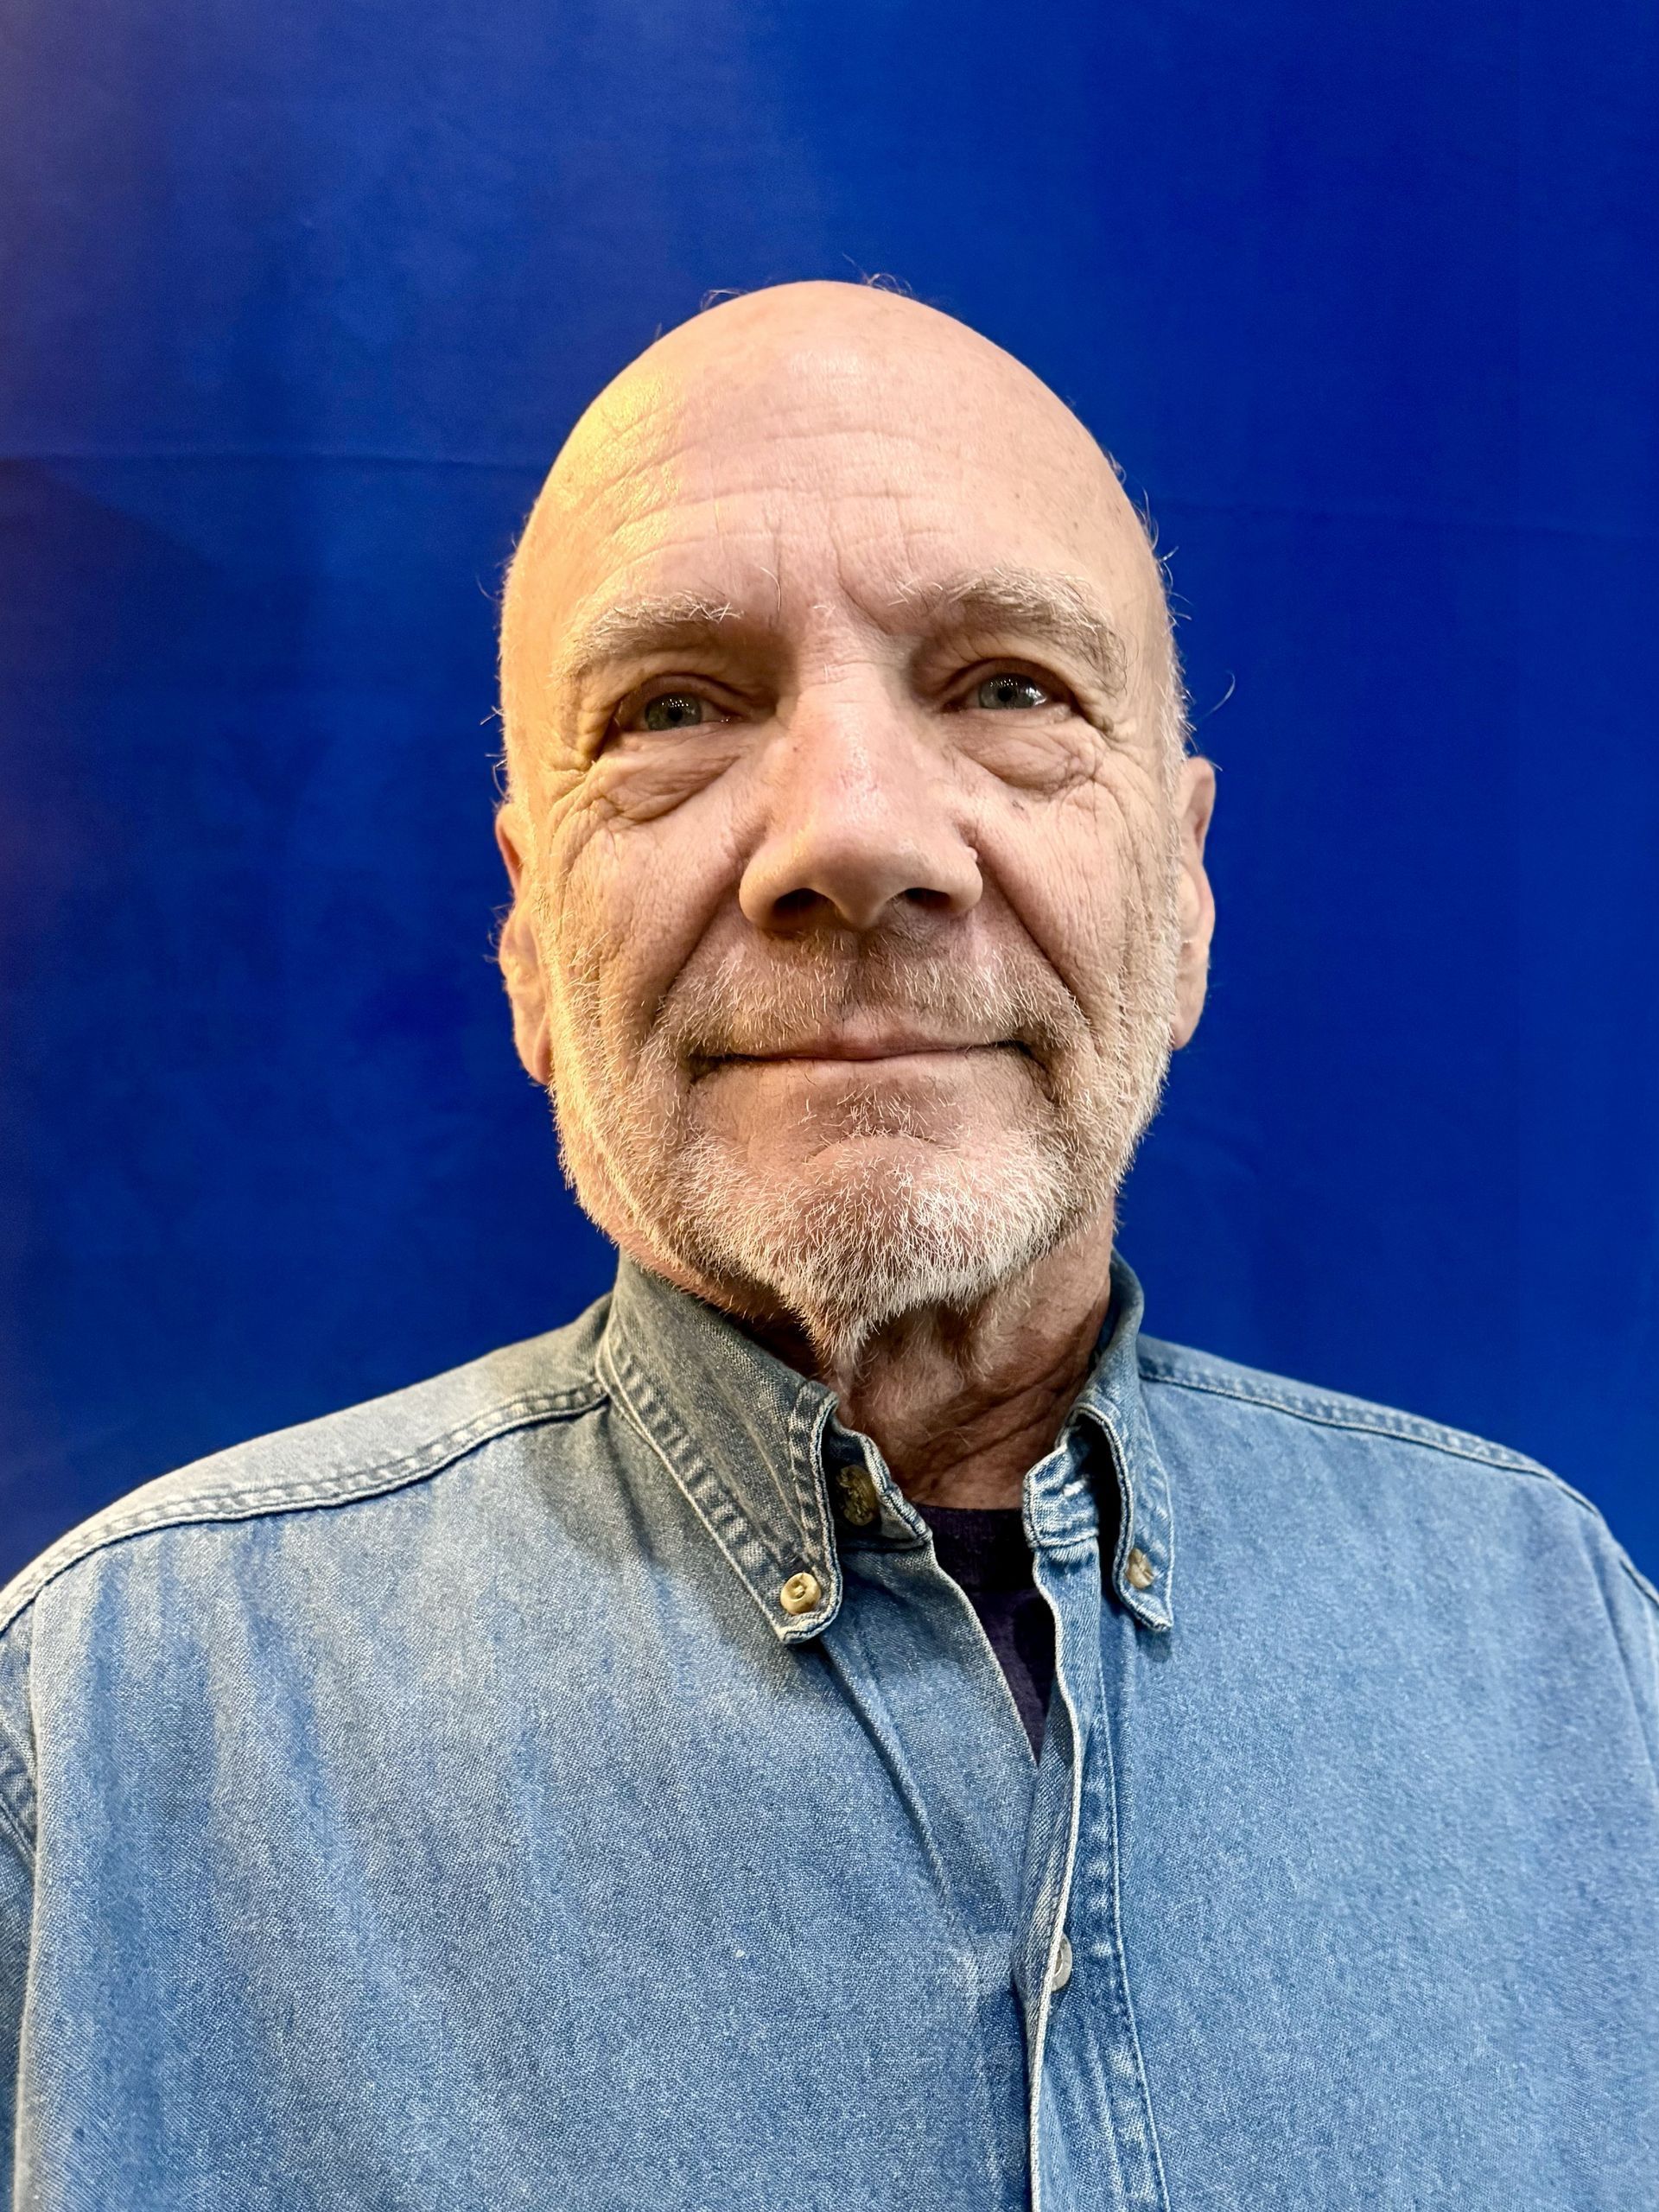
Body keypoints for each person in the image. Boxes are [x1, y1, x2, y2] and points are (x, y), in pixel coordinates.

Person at [0, 281, 1652, 2212]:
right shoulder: (104, 1736)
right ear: (532, 940)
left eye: (1009, 687)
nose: (858, 836)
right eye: (678, 710)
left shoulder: (1573, 1646)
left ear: (1186, 894)